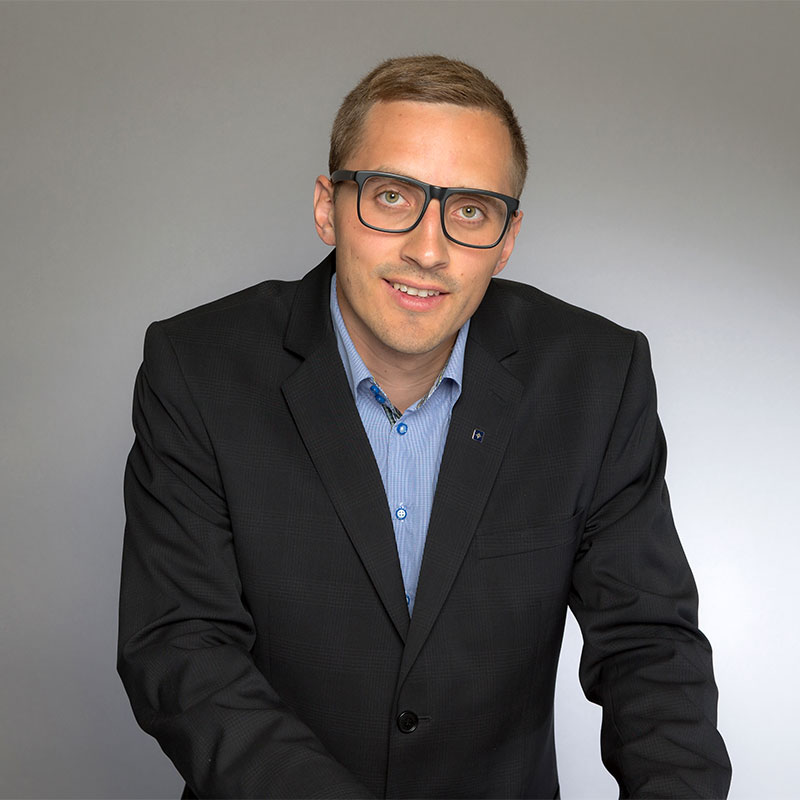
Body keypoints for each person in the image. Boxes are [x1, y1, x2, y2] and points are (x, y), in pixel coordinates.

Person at [118, 55, 731, 799]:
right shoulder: (197, 368)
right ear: (328, 208)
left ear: (506, 238)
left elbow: (650, 647)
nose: (428, 249)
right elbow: (182, 647)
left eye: (469, 211)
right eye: (392, 196)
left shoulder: (598, 378)